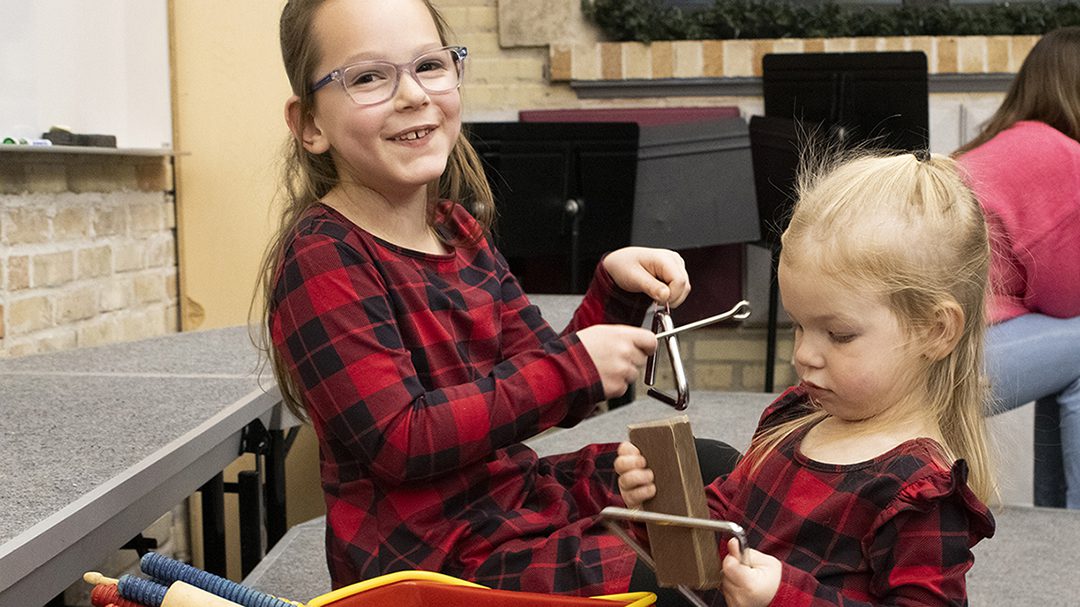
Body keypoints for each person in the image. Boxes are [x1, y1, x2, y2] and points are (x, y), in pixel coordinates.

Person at [257, 0, 704, 597]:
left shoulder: (458, 231)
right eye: (368, 77)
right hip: (428, 562)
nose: (413, 95)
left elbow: (549, 381)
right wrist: (575, 366)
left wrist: (613, 292)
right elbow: (402, 440)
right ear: (309, 124)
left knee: (709, 467)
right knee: (675, 579)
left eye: (429, 66)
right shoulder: (322, 258)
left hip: (506, 508)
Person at [616, 152, 997, 606]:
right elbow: (723, 527)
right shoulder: (797, 414)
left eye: (838, 334)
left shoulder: (920, 493)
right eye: (798, 325)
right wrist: (660, 510)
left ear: (935, 331)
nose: (804, 355)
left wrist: (783, 597)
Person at [953, 26, 1080, 508]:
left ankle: (1061, 518)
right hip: (952, 356)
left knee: (1070, 363)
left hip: (919, 341)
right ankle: (1069, 520)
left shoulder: (1005, 143)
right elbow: (1066, 301)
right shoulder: (1064, 158)